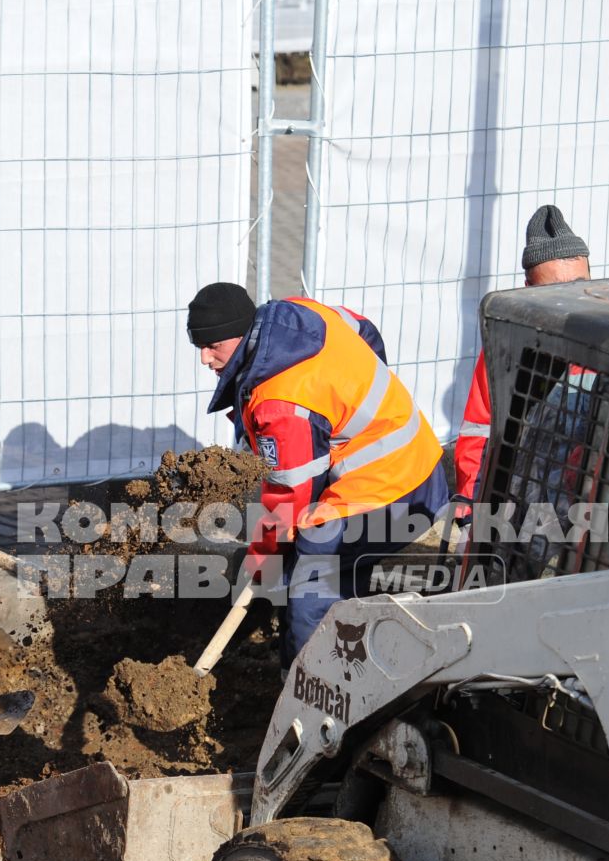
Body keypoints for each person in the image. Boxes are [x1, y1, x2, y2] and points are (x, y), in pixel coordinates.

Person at [188, 283, 447, 664]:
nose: (205, 359)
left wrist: (261, 560)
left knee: (312, 582)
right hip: (419, 461)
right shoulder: (301, 315)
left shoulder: (280, 401)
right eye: (199, 347)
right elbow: (364, 329)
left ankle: (309, 684)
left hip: (391, 493)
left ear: (243, 333)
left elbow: (288, 498)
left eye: (214, 347)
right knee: (327, 559)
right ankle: (352, 641)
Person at [452, 204, 593, 508]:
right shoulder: (506, 349)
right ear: (528, 289)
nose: (571, 300)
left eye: (581, 286)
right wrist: (471, 504)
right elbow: (479, 431)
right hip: (531, 489)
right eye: (556, 290)